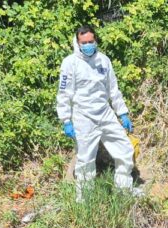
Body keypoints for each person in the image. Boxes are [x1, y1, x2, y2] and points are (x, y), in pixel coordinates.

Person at [56, 25, 136, 200]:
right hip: (83, 116)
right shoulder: (70, 63)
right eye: (83, 42)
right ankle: (85, 200)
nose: (87, 45)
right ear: (77, 43)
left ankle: (124, 191)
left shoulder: (103, 61)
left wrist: (122, 113)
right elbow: (64, 94)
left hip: (105, 113)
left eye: (90, 41)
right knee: (85, 160)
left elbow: (113, 90)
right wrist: (66, 120)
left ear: (95, 40)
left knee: (125, 149)